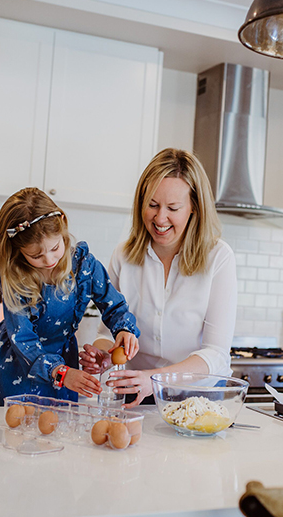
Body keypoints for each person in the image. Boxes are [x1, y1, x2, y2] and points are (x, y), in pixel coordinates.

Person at [80, 148, 237, 407]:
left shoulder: (218, 258)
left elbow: (216, 354)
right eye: (152, 205)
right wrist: (104, 353)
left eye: (172, 208)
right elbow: (108, 332)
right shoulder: (124, 256)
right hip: (138, 396)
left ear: (194, 208)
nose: (159, 218)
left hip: (199, 401)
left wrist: (154, 379)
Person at [0, 187, 140, 405]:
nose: (48, 260)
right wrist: (61, 373)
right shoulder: (16, 279)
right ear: (17, 250)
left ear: (63, 227)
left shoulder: (83, 265)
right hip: (20, 365)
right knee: (16, 428)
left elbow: (113, 304)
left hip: (64, 360)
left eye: (55, 247)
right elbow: (24, 340)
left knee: (59, 428)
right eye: (36, 255)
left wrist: (123, 329)